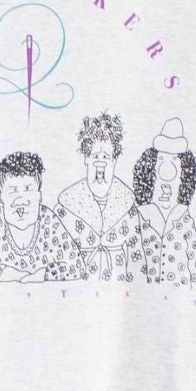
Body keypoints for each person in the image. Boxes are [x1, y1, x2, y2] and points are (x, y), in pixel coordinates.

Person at [0, 150, 85, 283]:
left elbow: (78, 266)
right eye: (13, 191)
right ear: (2, 197)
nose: (20, 200)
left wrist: (44, 274)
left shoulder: (48, 220)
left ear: (39, 196)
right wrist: (5, 273)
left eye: (27, 189)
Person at [55, 110, 150, 282]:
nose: (100, 162)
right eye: (95, 156)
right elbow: (56, 256)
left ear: (114, 160)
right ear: (86, 158)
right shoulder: (65, 207)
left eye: (106, 156)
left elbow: (137, 260)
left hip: (117, 289)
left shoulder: (128, 206)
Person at [134, 117, 196, 292]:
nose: (167, 169)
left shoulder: (184, 220)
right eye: (161, 159)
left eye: (174, 160)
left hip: (181, 297)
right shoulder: (138, 218)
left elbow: (195, 262)